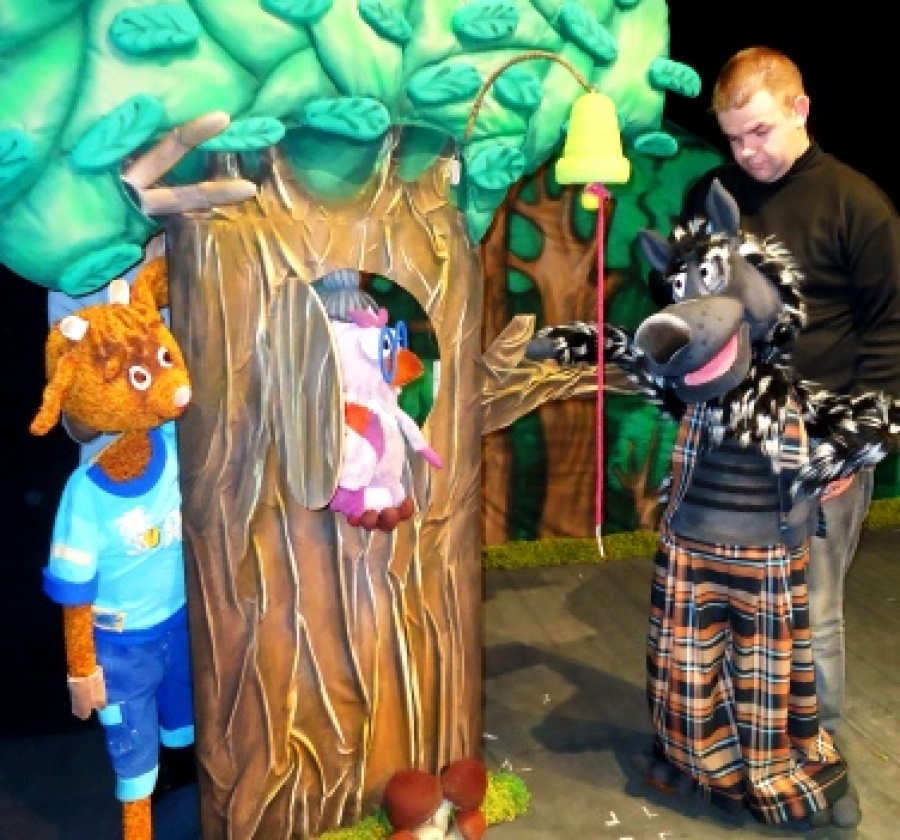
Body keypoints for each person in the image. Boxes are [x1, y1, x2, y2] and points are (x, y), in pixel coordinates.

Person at [680, 45, 900, 822]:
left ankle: (819, 759)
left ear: (801, 109)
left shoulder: (857, 204)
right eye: (733, 137)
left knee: (811, 612)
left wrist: (856, 445)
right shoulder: (710, 197)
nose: (747, 152)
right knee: (722, 602)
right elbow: (685, 305)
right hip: (724, 445)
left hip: (818, 448)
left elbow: (891, 336)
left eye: (761, 132)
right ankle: (729, 747)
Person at [47, 234, 199, 805]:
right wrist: (119, 387)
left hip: (193, 475)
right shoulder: (75, 271)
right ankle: (146, 777)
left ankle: (189, 756)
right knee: (128, 650)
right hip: (119, 502)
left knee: (185, 645)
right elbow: (75, 422)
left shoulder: (194, 244)